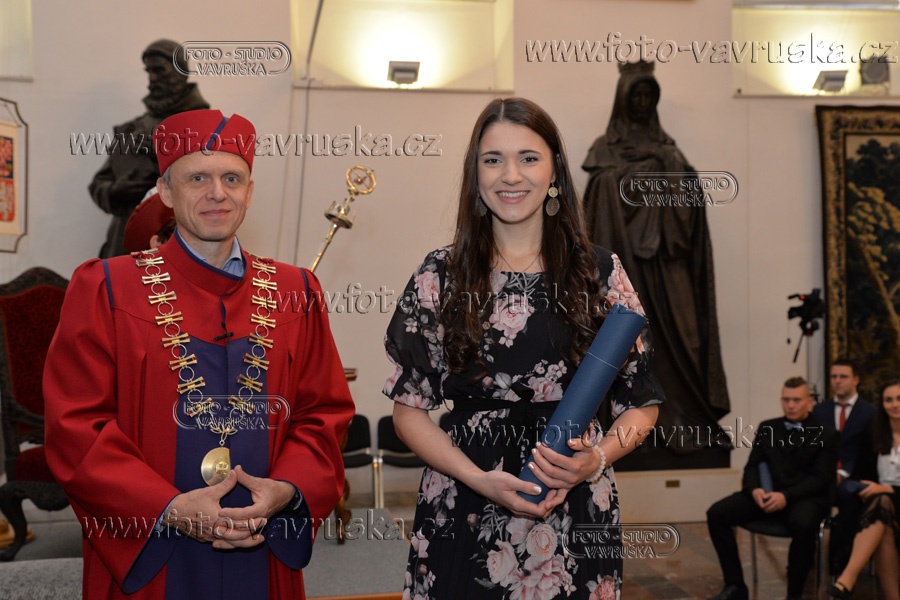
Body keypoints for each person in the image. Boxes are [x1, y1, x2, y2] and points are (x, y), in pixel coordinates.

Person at [45, 109, 354, 599]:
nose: (217, 193)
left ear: (250, 191)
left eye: (232, 178)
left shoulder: (296, 291)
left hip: (261, 542)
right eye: (197, 178)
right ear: (165, 192)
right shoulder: (107, 288)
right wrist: (167, 508)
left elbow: (323, 414)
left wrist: (287, 490)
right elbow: (76, 427)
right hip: (153, 546)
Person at [383, 97, 663, 599]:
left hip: (573, 500)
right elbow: (409, 413)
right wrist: (478, 479)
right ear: (476, 174)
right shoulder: (440, 274)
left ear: (554, 171)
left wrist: (596, 460)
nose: (510, 175)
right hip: (463, 497)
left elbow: (642, 405)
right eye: (493, 160)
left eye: (528, 158)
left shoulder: (598, 272)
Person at [582, 60, 729, 463]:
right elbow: (597, 201)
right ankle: (629, 430)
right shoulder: (605, 149)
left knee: (686, 340)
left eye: (650, 95)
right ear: (624, 99)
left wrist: (663, 166)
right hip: (627, 268)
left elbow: (690, 204)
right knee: (628, 342)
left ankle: (687, 423)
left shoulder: (669, 150)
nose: (644, 102)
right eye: (638, 95)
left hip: (668, 263)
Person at [706, 377, 840, 600]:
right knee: (717, 513)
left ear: (809, 402)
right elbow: (752, 465)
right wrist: (754, 490)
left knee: (804, 524)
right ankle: (735, 586)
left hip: (804, 498)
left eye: (796, 400)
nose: (790, 405)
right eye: (786, 400)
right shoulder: (768, 427)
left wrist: (786, 496)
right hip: (766, 496)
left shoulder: (827, 435)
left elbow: (820, 479)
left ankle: (794, 595)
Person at [89, 39, 209, 258]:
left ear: (180, 72)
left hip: (177, 244)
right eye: (149, 72)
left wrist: (160, 158)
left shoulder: (204, 124)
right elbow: (99, 183)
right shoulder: (132, 128)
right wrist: (116, 191)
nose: (152, 79)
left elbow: (209, 184)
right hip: (122, 245)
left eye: (159, 70)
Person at [827, 379, 900, 599]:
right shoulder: (875, 432)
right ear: (882, 404)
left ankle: (847, 578)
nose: (895, 404)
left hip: (892, 498)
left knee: (882, 504)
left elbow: (883, 490)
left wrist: (885, 488)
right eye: (888, 400)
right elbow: (859, 472)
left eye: (899, 399)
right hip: (879, 503)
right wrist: (867, 486)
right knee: (883, 521)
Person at [812, 359, 877, 575]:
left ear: (856, 379)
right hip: (823, 476)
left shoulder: (870, 412)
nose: (837, 381)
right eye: (834, 377)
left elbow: (868, 451)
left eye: (843, 377)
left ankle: (840, 563)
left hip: (855, 475)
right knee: (807, 498)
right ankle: (805, 557)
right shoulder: (819, 411)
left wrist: (843, 472)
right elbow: (814, 448)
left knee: (851, 499)